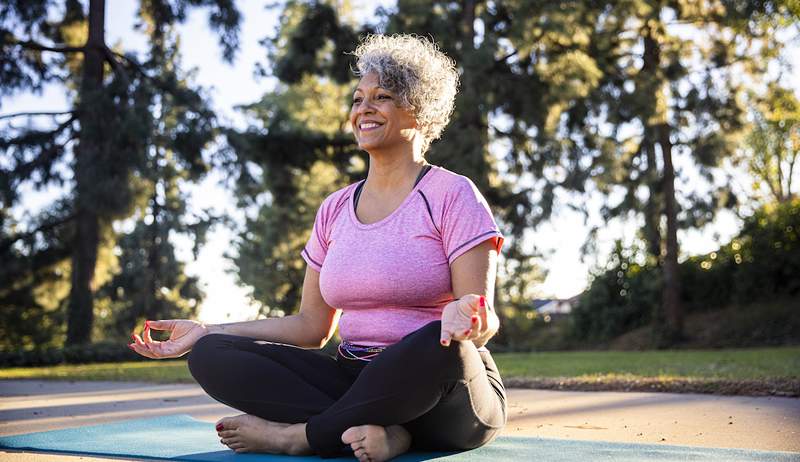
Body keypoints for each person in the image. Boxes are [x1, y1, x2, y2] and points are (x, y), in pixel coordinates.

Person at [129, 33, 506, 462]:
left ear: (419, 110)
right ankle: (388, 431)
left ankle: (302, 437)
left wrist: (466, 317)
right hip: (355, 379)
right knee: (211, 356)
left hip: (445, 391)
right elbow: (312, 327)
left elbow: (482, 319)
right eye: (358, 97)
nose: (364, 108)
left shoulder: (453, 194)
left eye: (382, 96)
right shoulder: (334, 209)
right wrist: (208, 330)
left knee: (436, 343)